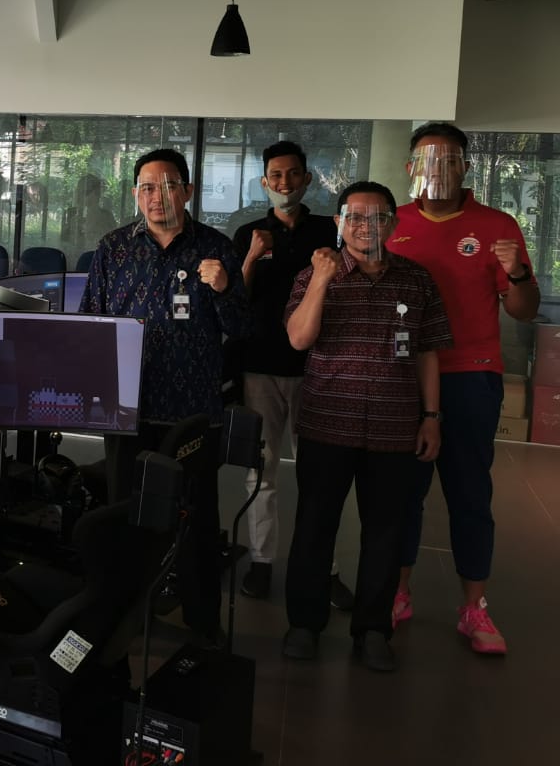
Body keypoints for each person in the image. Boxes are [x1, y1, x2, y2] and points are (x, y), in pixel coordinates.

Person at [79, 148, 249, 644]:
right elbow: (91, 323)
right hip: (127, 408)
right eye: (148, 187)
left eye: (169, 185)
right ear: (136, 194)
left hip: (191, 413)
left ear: (188, 191)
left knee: (196, 522)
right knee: (126, 519)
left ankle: (203, 624)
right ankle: (125, 618)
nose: (158, 196)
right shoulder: (113, 248)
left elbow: (243, 327)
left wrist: (223, 290)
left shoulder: (216, 248)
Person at [282, 181, 451, 672]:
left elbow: (428, 353)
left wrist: (432, 417)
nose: (365, 226)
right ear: (339, 223)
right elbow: (298, 339)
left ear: (393, 224)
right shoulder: (314, 274)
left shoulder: (416, 280)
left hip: (394, 427)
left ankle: (374, 629)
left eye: (377, 217)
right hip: (326, 424)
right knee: (314, 526)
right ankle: (304, 623)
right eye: (354, 217)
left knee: (386, 532)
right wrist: (321, 279)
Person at [387, 122, 539, 654]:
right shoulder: (392, 222)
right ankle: (397, 593)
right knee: (402, 492)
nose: (439, 170)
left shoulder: (497, 225)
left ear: (466, 167)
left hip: (472, 374)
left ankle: (475, 608)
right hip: (403, 375)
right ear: (411, 169)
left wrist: (517, 273)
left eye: (450, 160)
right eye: (428, 161)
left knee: (470, 492)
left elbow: (524, 311)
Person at [231, 141, 353, 609]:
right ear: (265, 182)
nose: (285, 183)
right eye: (276, 176)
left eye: (293, 174)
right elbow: (234, 302)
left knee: (319, 476)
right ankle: (261, 561)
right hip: (259, 368)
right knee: (259, 473)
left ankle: (325, 567)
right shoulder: (248, 232)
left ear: (307, 179)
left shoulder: (328, 230)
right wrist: (250, 258)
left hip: (317, 368)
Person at [62, 173, 118, 260]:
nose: (79, 196)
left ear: (96, 193)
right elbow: (67, 246)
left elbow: (111, 246)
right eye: (79, 192)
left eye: (85, 192)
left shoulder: (107, 218)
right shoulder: (73, 219)